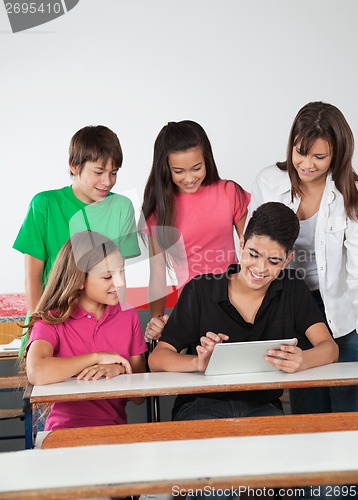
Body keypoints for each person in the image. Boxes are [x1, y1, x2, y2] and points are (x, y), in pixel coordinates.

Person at [248, 101, 358, 415]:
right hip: (294, 311)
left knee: (351, 414)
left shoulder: (354, 195)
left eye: (319, 157)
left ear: (337, 154)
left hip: (343, 315)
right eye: (299, 152)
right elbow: (255, 252)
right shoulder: (269, 181)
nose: (306, 164)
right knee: (309, 415)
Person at [148, 202, 338, 423]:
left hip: (264, 408)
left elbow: (330, 349)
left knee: (284, 452)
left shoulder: (293, 290)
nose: (260, 268)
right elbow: (157, 358)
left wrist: (303, 359)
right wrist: (198, 363)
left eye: (274, 261)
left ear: (287, 259)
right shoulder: (201, 290)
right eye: (253, 255)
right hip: (201, 406)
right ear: (241, 244)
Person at [13, 125, 141, 356]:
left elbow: (118, 280)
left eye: (114, 172)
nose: (108, 181)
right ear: (74, 166)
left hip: (102, 333)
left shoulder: (122, 207)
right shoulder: (45, 205)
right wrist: (40, 333)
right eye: (99, 172)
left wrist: (117, 336)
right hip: (52, 329)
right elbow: (33, 278)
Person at [139, 120, 250, 340]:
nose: (189, 178)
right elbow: (158, 275)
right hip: (192, 309)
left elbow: (254, 250)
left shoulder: (229, 192)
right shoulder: (160, 211)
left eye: (196, 168)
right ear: (165, 168)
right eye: (179, 171)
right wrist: (157, 320)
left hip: (238, 302)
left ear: (206, 159)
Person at [25, 231, 147, 430]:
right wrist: (97, 357)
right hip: (63, 434)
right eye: (108, 276)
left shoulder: (128, 316)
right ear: (79, 280)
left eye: (121, 272)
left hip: (116, 434)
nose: (120, 283)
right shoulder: (51, 320)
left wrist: (119, 369)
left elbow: (139, 397)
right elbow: (37, 372)